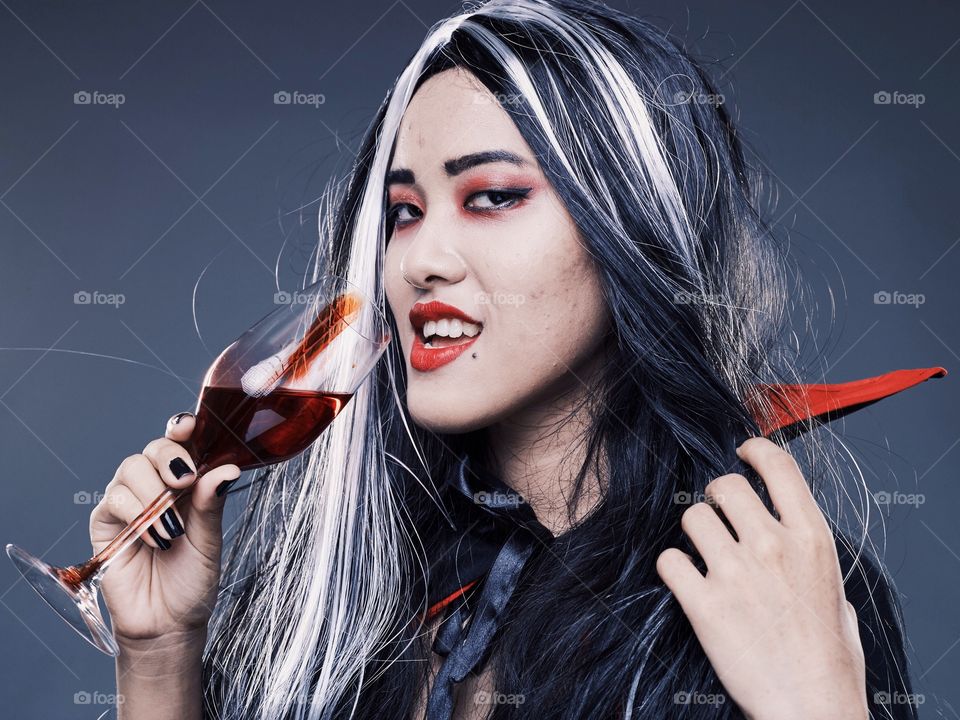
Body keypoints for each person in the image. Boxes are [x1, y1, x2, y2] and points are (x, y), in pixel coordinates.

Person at [91, 1, 944, 717]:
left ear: (630, 234)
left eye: (492, 196)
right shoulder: (350, 596)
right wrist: (159, 655)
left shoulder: (771, 583)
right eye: (403, 212)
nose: (421, 258)